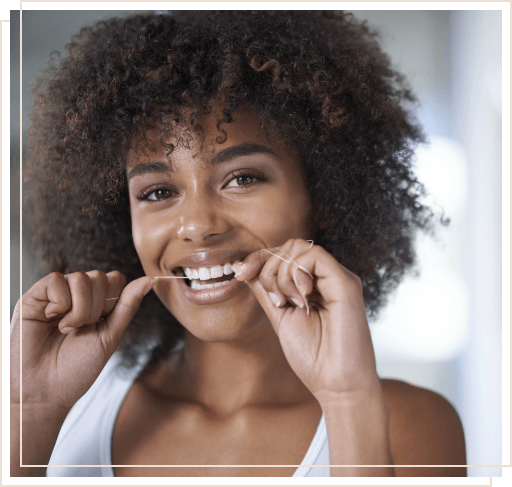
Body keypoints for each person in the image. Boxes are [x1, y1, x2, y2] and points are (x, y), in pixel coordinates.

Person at [10, 10, 466, 477]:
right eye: (158, 192)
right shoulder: (63, 408)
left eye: (242, 178)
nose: (197, 226)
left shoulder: (410, 426)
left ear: (324, 195)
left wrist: (347, 401)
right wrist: (34, 411)